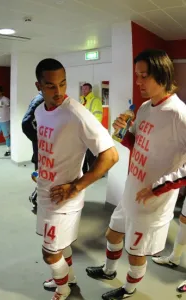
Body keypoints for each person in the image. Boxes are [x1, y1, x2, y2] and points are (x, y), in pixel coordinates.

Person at [86, 49, 186, 300]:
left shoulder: (178, 114)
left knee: (136, 251)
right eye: (137, 75)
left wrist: (157, 188)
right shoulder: (144, 107)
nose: (138, 82)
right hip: (132, 188)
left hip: (152, 199)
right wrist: (120, 132)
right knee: (113, 233)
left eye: (143, 76)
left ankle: (129, 290)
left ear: (161, 76)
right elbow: (136, 144)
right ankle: (109, 271)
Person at [34, 58, 118, 300]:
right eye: (50, 86)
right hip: (45, 190)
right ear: (38, 86)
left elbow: (110, 156)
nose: (59, 91)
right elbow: (51, 148)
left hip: (65, 198)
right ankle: (67, 277)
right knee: (60, 245)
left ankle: (63, 289)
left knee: (49, 253)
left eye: (63, 84)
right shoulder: (40, 111)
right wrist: (42, 172)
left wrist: (76, 186)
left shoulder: (77, 114)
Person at [22, 91, 44, 209]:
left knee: (44, 173)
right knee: (42, 173)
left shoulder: (42, 99)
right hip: (41, 147)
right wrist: (39, 139)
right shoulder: (40, 100)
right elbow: (26, 123)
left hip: (44, 147)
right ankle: (37, 197)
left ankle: (38, 197)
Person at [80, 83, 103, 173]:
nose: (84, 90)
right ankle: (84, 171)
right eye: (83, 89)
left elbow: (98, 118)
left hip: (91, 132)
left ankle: (94, 173)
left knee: (91, 154)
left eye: (86, 89)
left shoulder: (95, 101)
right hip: (82, 131)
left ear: (90, 90)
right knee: (82, 153)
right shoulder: (82, 101)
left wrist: (90, 130)